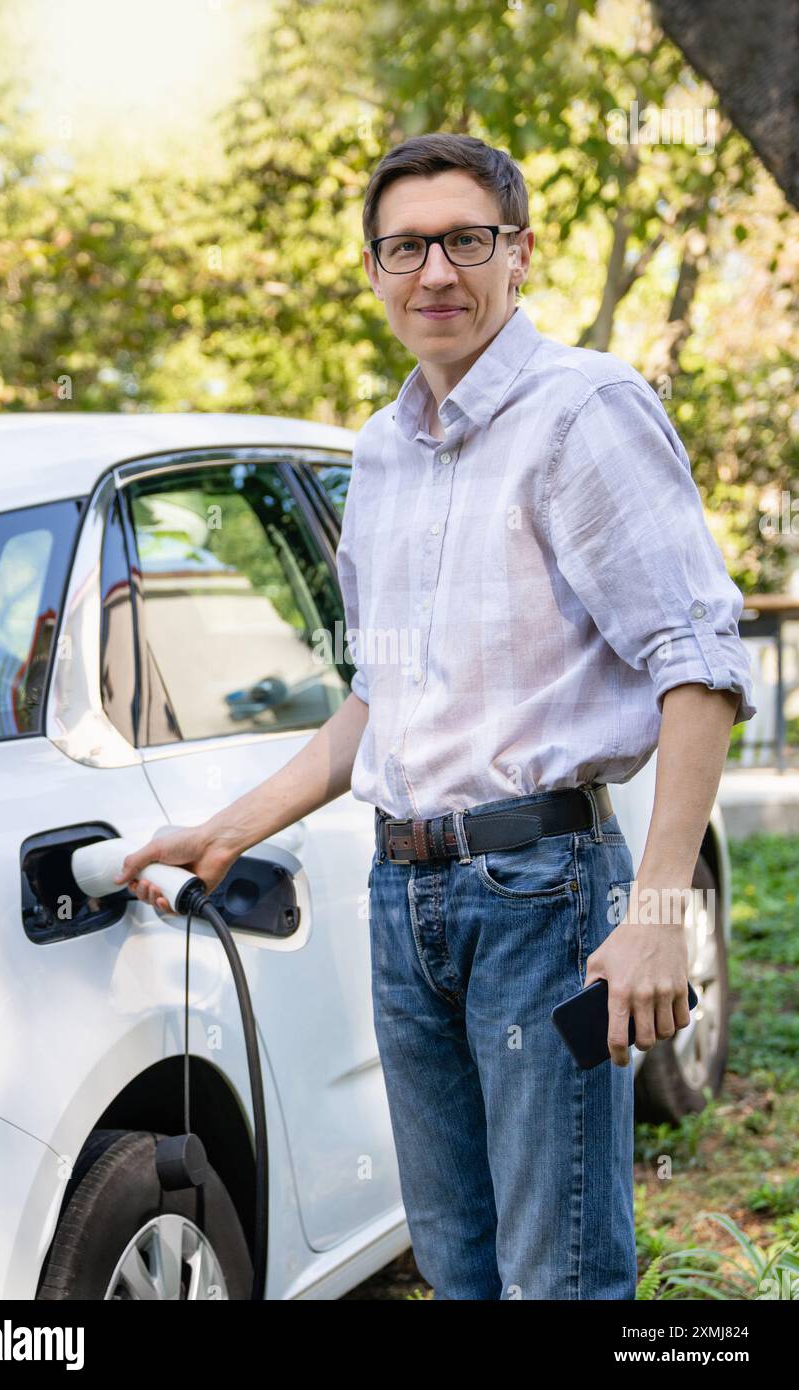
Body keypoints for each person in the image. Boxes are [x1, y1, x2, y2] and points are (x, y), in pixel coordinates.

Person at [115, 132, 756, 1300]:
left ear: (519, 252)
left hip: (542, 896)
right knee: (454, 1267)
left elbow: (698, 662)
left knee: (555, 1274)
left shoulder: (583, 409)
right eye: (405, 248)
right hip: (401, 897)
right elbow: (380, 699)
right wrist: (225, 830)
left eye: (465, 240)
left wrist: (659, 909)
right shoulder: (380, 452)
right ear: (372, 269)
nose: (436, 273)